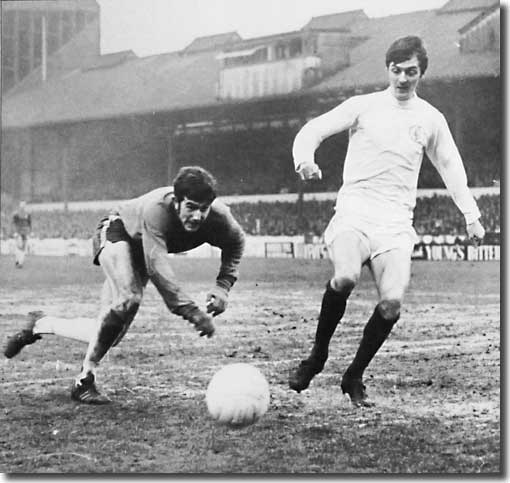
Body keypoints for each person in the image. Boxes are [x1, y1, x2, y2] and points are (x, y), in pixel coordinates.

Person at [288, 36, 485, 407]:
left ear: (421, 73)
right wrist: (305, 159)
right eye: (396, 70)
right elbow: (312, 130)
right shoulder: (363, 106)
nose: (402, 79)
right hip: (355, 212)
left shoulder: (430, 118)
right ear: (387, 70)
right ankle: (316, 357)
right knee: (345, 276)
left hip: (395, 223)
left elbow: (449, 165)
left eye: (411, 72)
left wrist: (471, 215)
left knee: (391, 304)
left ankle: (354, 375)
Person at [4, 166, 245, 404]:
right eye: (191, 207)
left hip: (143, 249)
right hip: (118, 231)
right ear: (176, 201)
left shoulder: (220, 217)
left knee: (108, 333)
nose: (197, 216)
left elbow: (236, 242)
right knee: (129, 297)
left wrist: (223, 285)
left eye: (203, 209)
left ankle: (40, 324)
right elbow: (157, 267)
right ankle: (85, 379)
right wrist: (191, 312)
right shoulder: (157, 210)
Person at [12, 200, 32, 268]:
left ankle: (20, 262)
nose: (23, 206)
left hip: (25, 232)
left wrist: (30, 231)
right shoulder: (16, 214)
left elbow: (29, 223)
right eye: (21, 204)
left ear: (25, 205)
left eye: (24, 204)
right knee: (18, 246)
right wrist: (15, 232)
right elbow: (13, 223)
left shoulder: (28, 214)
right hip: (18, 232)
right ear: (19, 205)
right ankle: (18, 261)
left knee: (23, 247)